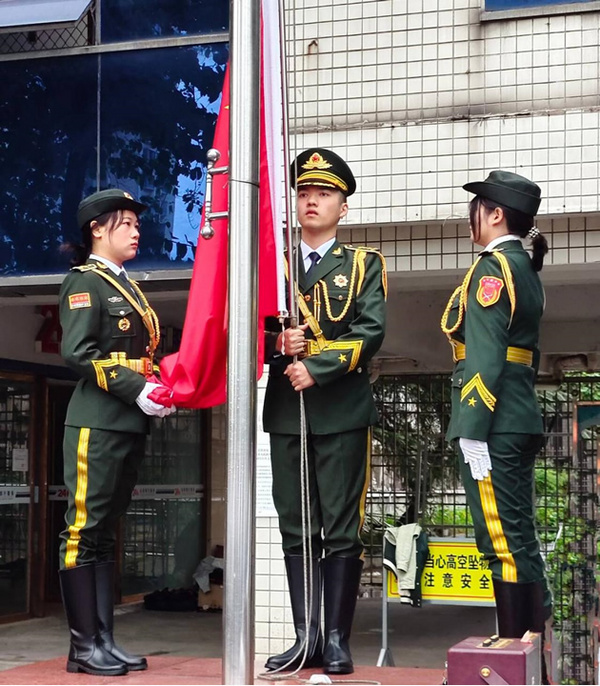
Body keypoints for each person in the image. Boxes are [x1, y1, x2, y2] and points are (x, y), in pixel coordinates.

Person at [263, 149, 387, 674]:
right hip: (288, 413)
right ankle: (305, 636)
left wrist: (318, 366)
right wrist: (277, 341)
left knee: (340, 526)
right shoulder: (273, 265)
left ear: (343, 206)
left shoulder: (364, 264)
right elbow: (246, 327)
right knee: (296, 523)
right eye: (305, 192)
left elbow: (370, 330)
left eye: (325, 193)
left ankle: (336, 638)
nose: (312, 200)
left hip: (340, 410)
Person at [58, 189, 175, 676]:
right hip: (98, 419)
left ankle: (103, 640)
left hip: (126, 420)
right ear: (98, 230)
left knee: (105, 534)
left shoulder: (126, 284)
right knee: (83, 530)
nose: (135, 230)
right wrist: (135, 388)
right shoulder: (85, 282)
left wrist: (155, 388)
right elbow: (79, 352)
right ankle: (83, 647)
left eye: (135, 222)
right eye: (124, 223)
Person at [440, 171, 552, 643]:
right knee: (520, 537)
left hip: (493, 422)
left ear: (495, 214)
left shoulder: (491, 268)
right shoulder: (525, 268)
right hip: (518, 414)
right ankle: (530, 650)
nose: (472, 218)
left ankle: (510, 652)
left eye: (477, 208)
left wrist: (470, 426)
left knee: (501, 543)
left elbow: (485, 355)